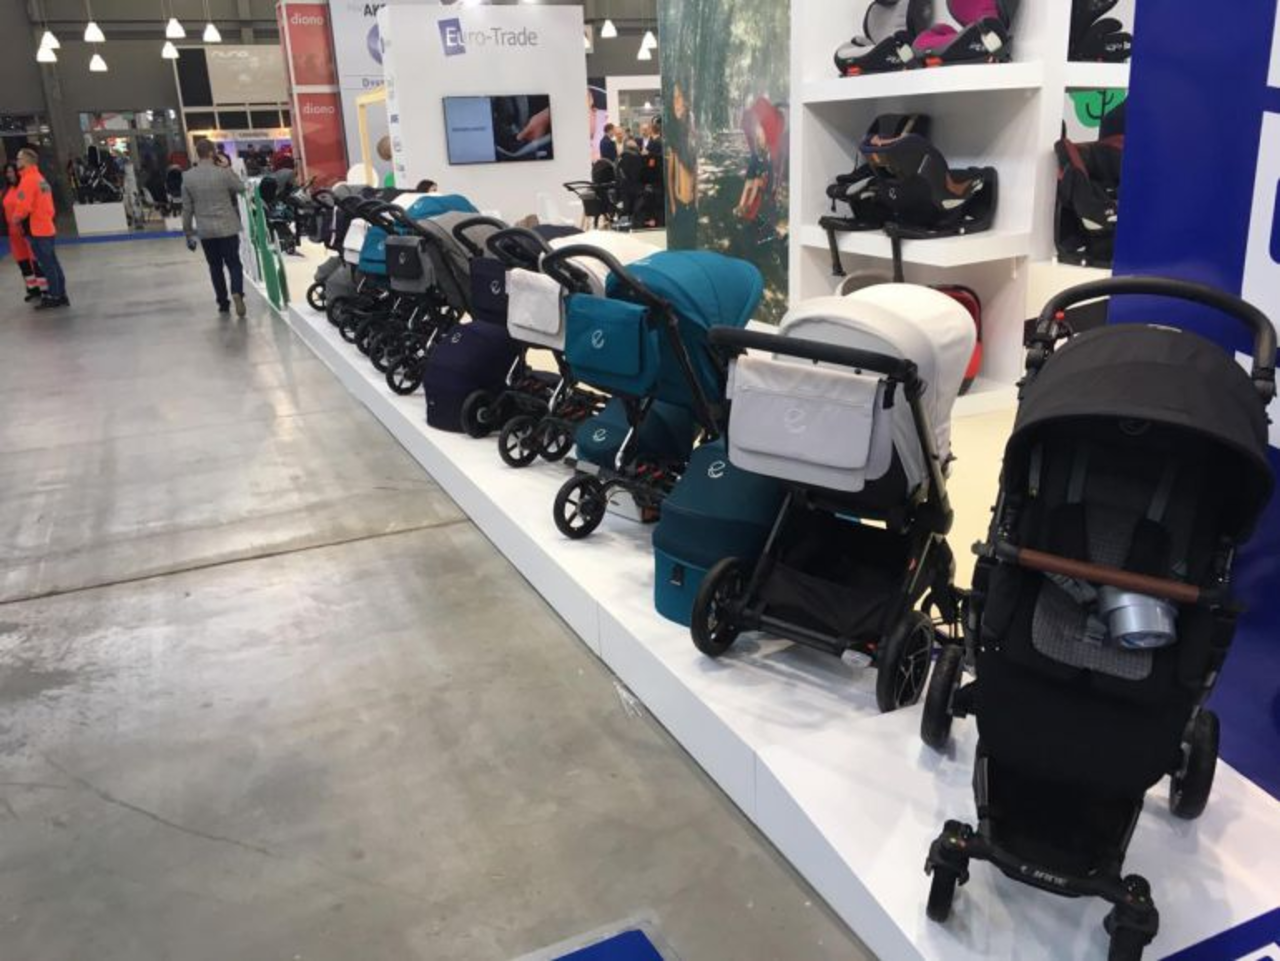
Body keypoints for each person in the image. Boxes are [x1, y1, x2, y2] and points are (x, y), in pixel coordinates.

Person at [183, 138, 247, 317]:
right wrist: (227, 167)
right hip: (227, 227)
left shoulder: (188, 177)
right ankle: (237, 291)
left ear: (197, 154)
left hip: (206, 231)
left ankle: (223, 303)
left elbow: (187, 209)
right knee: (234, 263)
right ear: (212, 153)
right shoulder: (223, 173)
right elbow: (241, 188)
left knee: (215, 266)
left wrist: (188, 233)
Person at [12, 147, 67, 310]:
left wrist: (15, 218)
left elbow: (24, 206)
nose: (17, 161)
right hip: (46, 226)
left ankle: (54, 296)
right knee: (53, 263)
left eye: (19, 158)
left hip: (36, 229)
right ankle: (60, 294)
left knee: (47, 265)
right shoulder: (40, 179)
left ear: (27, 161)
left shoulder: (28, 180)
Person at [1, 162, 46, 302]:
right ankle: (33, 289)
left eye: (12, 171)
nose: (9, 175)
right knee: (22, 261)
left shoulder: (24, 187)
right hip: (13, 233)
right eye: (7, 172)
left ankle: (44, 290)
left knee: (35, 260)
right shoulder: (5, 191)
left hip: (28, 231)